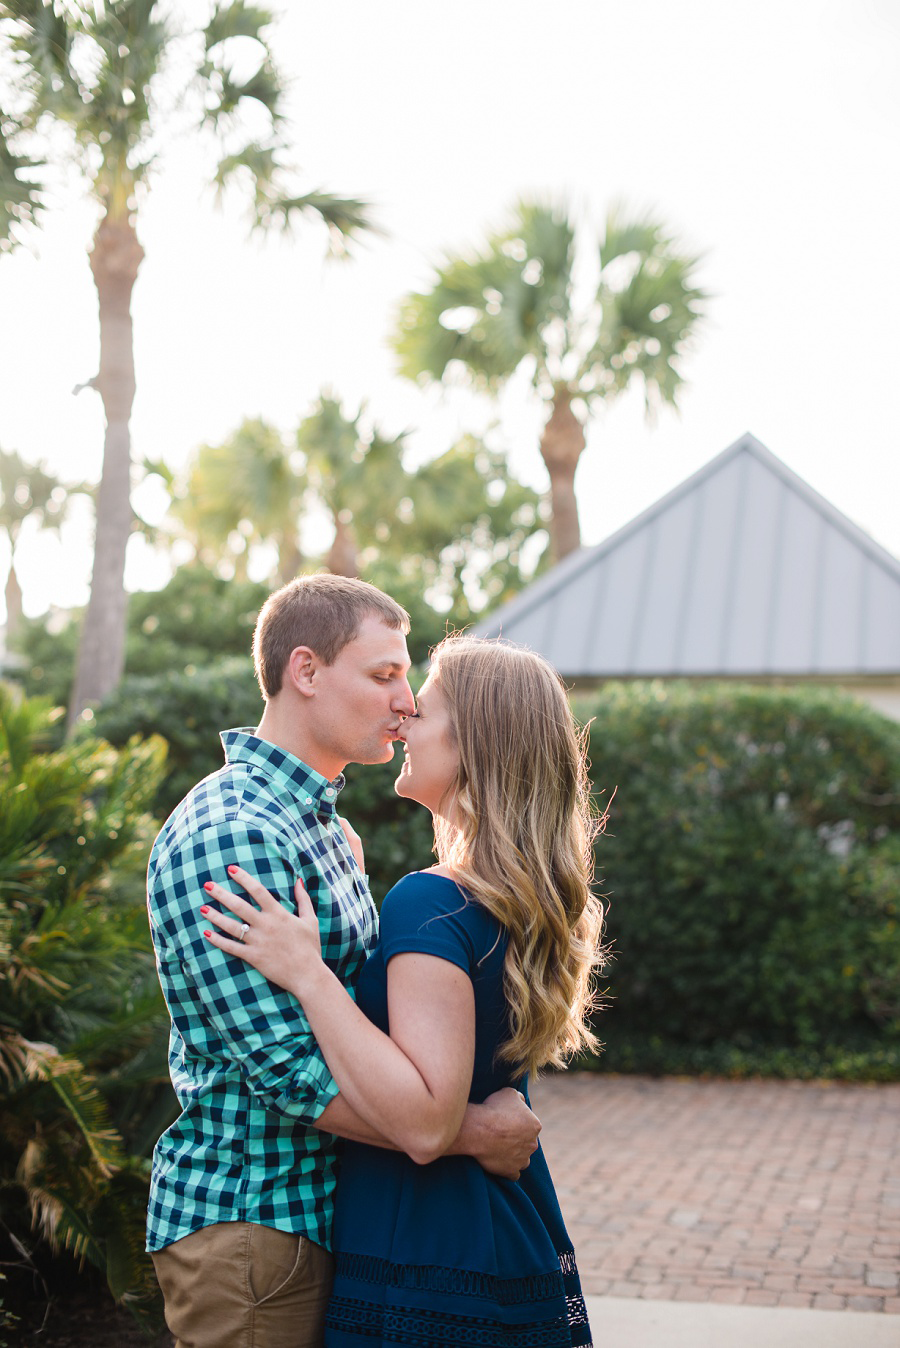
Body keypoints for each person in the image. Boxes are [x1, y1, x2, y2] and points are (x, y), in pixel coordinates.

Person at [146, 578, 541, 1348]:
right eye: (384, 674)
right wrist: (470, 1134)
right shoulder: (235, 835)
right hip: (254, 1223)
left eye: (406, 679)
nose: (405, 702)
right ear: (306, 671)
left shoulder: (319, 826)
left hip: (323, 1215)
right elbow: (292, 1071)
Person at [202, 633, 603, 1347]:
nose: (404, 718)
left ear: (476, 745)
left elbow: (423, 1123)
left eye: (426, 709)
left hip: (428, 1240)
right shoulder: (514, 898)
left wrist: (308, 973)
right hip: (501, 1222)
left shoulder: (431, 902)